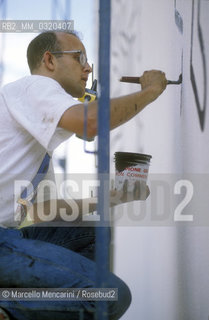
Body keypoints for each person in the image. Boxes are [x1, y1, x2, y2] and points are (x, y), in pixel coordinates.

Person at [0, 30, 167, 320]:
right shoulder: (35, 86)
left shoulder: (37, 146)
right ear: (49, 60)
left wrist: (109, 198)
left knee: (90, 230)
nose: (88, 68)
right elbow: (88, 122)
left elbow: (40, 211)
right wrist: (150, 92)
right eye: (80, 58)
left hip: (7, 237)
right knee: (110, 296)